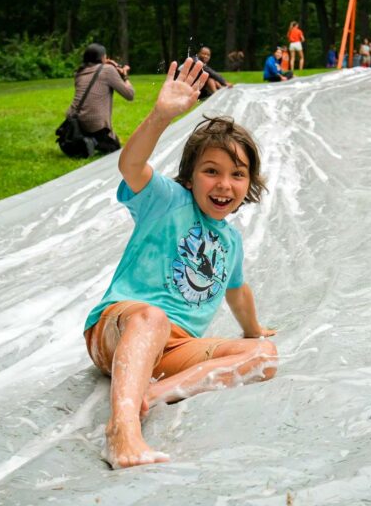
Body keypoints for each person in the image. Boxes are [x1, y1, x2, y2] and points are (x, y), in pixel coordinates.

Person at [84, 57, 278, 469]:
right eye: (212, 171)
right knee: (151, 319)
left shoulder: (230, 241)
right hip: (120, 327)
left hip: (173, 349)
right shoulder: (166, 201)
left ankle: (151, 395)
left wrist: (254, 331)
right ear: (190, 177)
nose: (224, 184)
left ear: (249, 184)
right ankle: (122, 431)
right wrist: (160, 115)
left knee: (264, 355)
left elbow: (237, 290)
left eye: (237, 174)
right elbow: (130, 165)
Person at [66, 43, 134, 155]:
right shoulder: (108, 70)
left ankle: (86, 139)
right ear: (102, 57)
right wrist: (124, 76)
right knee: (114, 147)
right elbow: (130, 95)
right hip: (94, 123)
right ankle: (94, 141)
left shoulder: (79, 72)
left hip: (74, 120)